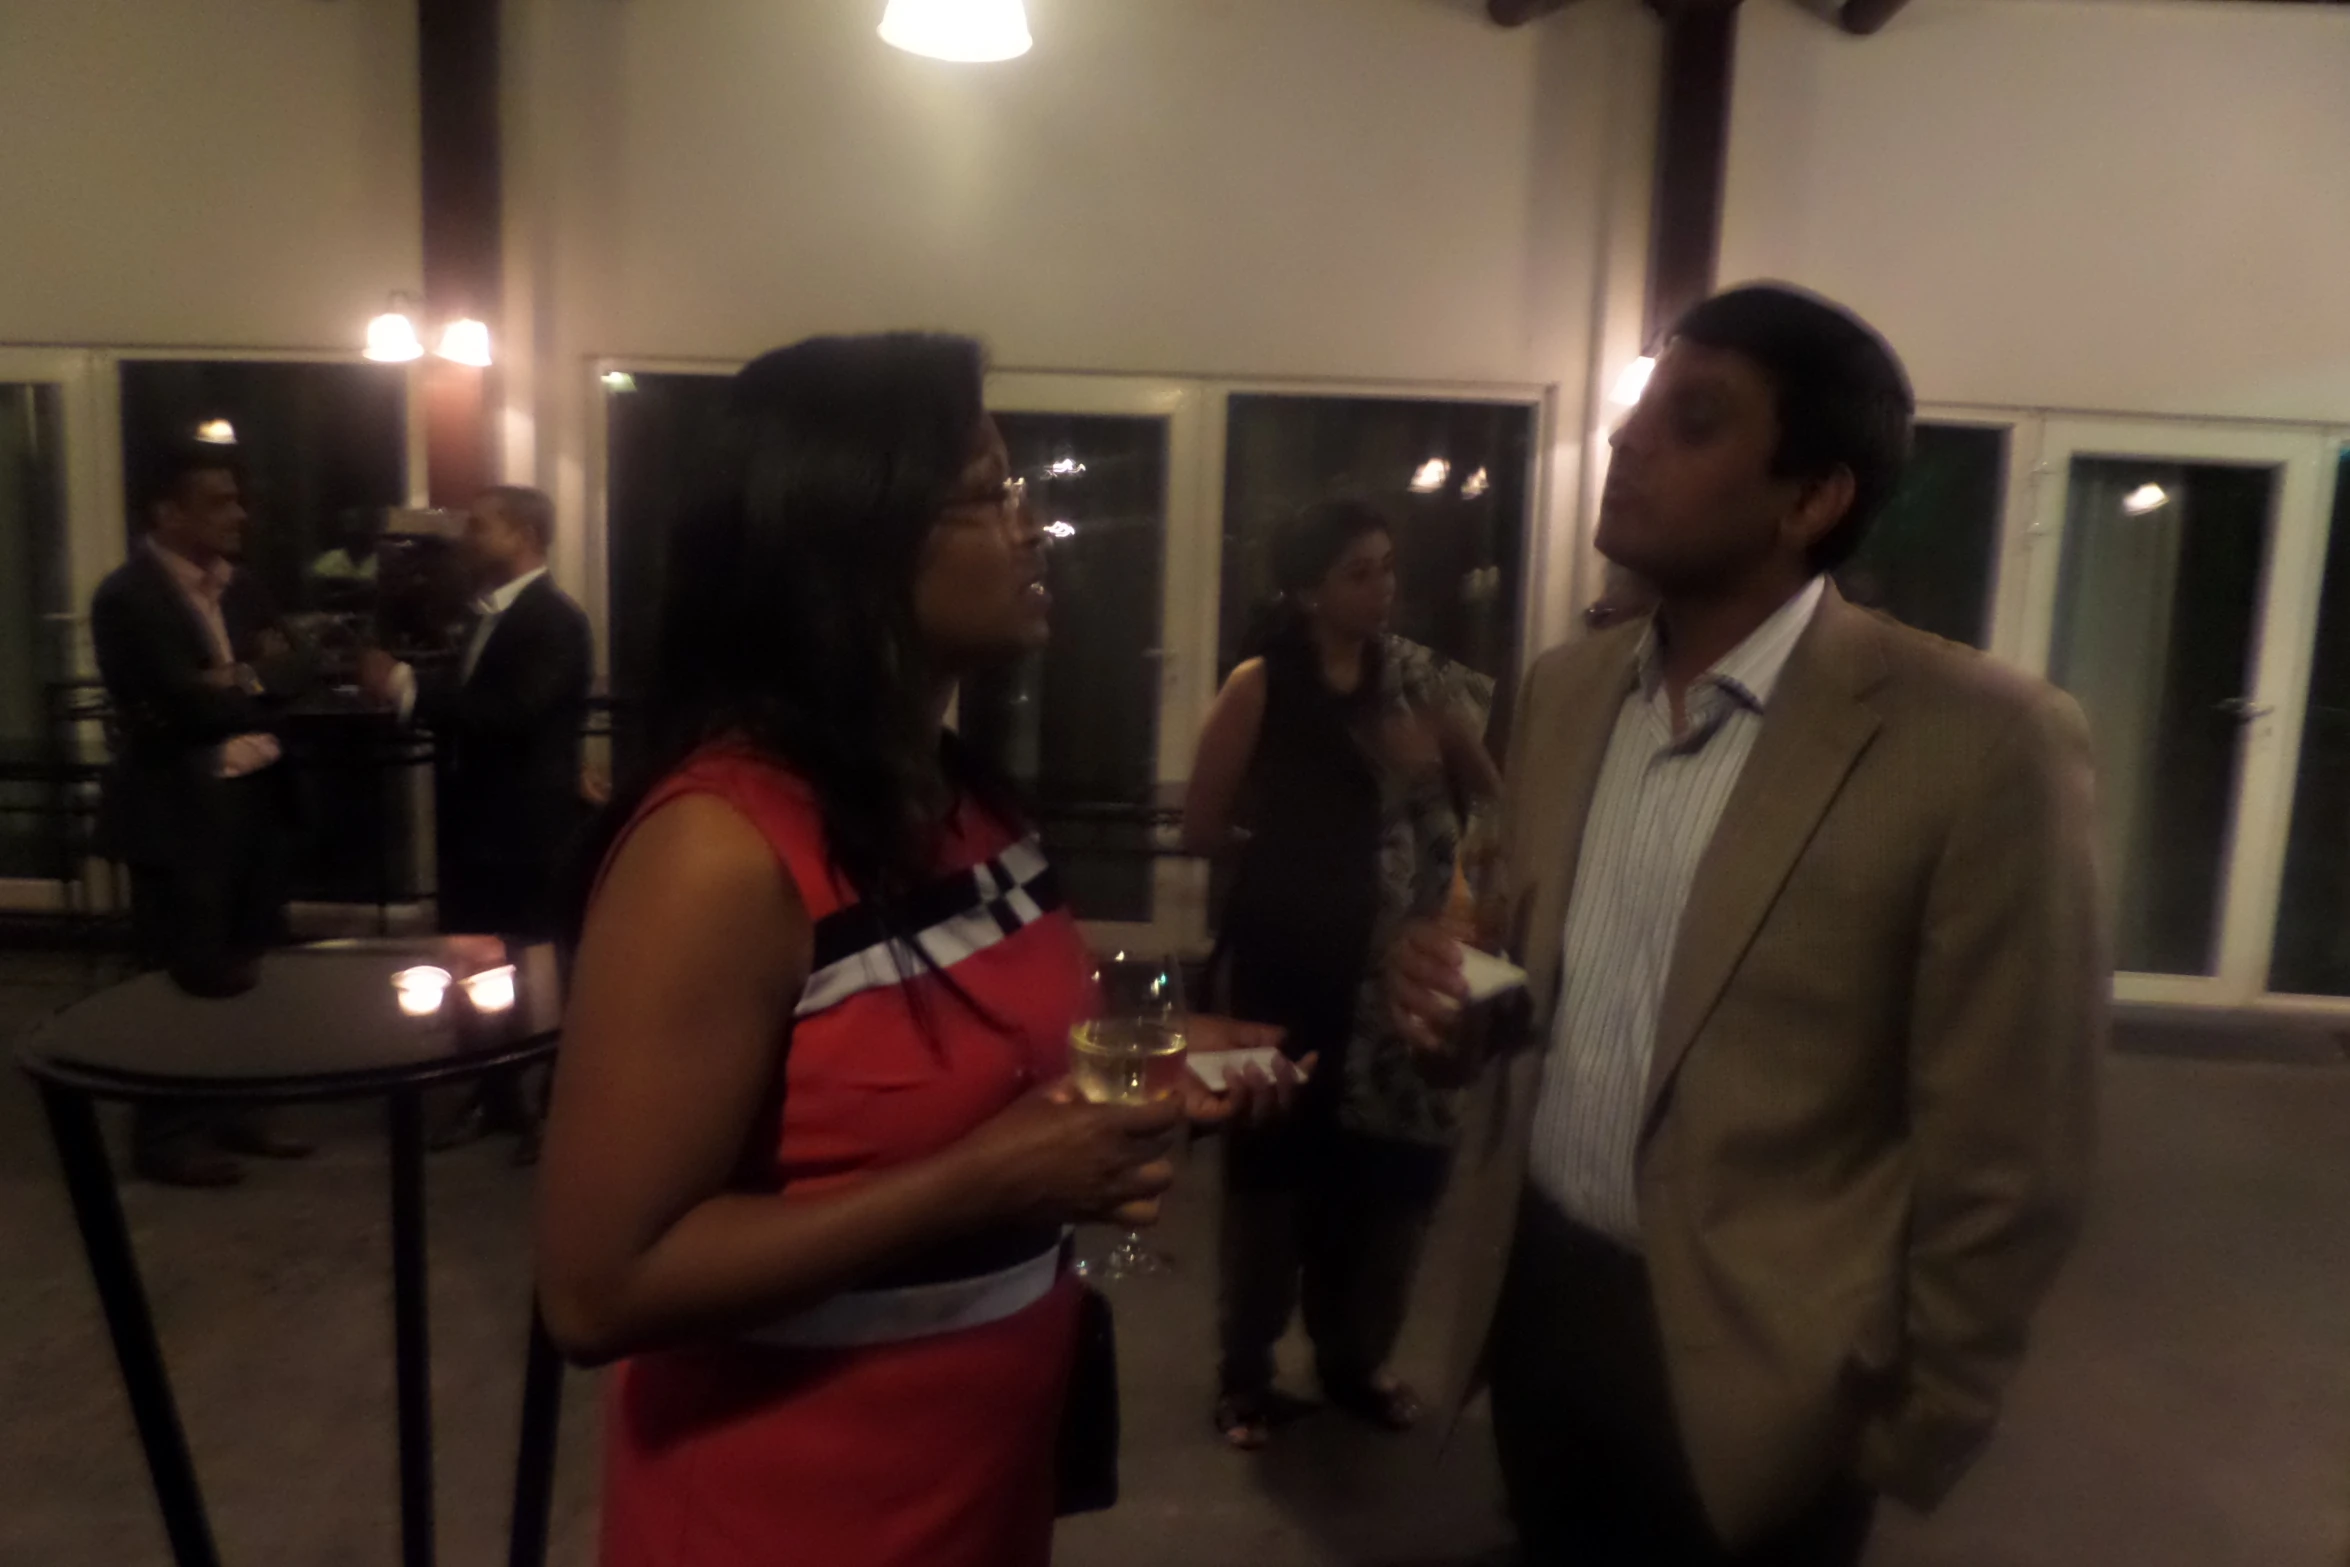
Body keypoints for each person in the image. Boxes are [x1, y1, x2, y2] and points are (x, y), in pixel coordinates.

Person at [534, 333, 1296, 1567]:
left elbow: (971, 1043)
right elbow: (597, 1287)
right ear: (850, 542)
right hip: (793, 1510)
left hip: (979, 1479)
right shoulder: (721, 850)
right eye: (989, 491)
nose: (1034, 524)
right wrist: (990, 1178)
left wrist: (1148, 1054)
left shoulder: (962, 798)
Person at [1391, 284, 2105, 1565]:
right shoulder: (1563, 691)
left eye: (1694, 421)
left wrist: (1909, 1424)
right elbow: (1532, 977)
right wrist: (1458, 1003)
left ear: (1812, 496)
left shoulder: (1980, 744)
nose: (1627, 443)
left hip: (1766, 1366)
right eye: (1638, 413)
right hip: (1540, 1301)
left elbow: (2012, 1152)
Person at [1183, 499, 1500, 1450]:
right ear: (1310, 587)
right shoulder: (1260, 683)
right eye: (1361, 570)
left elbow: (1489, 793)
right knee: (1273, 1169)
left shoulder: (1419, 684)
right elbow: (1203, 828)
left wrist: (1436, 759)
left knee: (1388, 1176)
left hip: (1396, 969)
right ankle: (1246, 1374)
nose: (1384, 587)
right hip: (1288, 962)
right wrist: (1293, 853)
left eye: (1389, 567)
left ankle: (1354, 1359)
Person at [91, 446, 319, 1187]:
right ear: (169, 512)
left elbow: (299, 668)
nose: (239, 513)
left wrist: (238, 677)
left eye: (236, 498)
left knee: (251, 961)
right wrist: (249, 679)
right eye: (219, 501)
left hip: (255, 800)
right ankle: (166, 1132)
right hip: (178, 810)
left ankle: (239, 1108)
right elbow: (180, 705)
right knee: (179, 971)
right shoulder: (128, 596)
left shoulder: (244, 587)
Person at [361, 486, 594, 1160]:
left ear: (524, 534)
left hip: (524, 826)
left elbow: (511, 712)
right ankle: (490, 1093)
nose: (467, 539)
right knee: (472, 959)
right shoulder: (488, 615)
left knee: (535, 963)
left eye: (482, 527)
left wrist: (405, 685)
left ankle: (548, 1109)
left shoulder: (552, 618)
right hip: (477, 820)